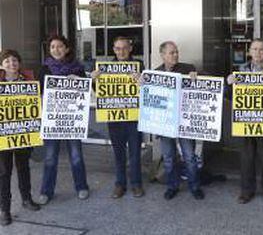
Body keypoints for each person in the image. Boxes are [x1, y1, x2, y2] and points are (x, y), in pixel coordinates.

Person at [227, 39, 263, 206]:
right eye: (255, 49)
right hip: (245, 121)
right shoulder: (239, 70)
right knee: (246, 158)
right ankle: (246, 191)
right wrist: (229, 84)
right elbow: (229, 96)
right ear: (249, 52)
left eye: (261, 49)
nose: (258, 52)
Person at [38, 35, 89, 205]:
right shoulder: (44, 69)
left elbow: (86, 92)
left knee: (76, 156)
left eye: (60, 46)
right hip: (52, 120)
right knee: (50, 157)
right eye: (53, 47)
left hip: (72, 121)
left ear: (67, 49)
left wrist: (80, 81)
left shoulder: (78, 68)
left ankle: (82, 187)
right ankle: (46, 191)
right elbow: (38, 94)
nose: (56, 50)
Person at [91, 37, 144, 199]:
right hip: (114, 118)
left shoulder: (139, 66)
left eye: (124, 48)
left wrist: (141, 80)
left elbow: (145, 87)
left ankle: (136, 184)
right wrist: (93, 79)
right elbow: (98, 90)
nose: (121, 51)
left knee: (135, 153)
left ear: (130, 49)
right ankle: (120, 184)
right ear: (114, 50)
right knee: (118, 153)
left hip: (134, 117)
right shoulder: (105, 68)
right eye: (118, 48)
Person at [155, 41, 204, 200]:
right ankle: (172, 186)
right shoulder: (155, 73)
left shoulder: (188, 68)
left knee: (189, 156)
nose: (175, 55)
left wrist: (197, 78)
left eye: (176, 52)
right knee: (168, 157)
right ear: (162, 55)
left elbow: (203, 87)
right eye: (171, 52)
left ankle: (194, 186)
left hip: (184, 121)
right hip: (165, 122)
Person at [0, 50, 41, 226]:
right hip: (3, 136)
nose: (11, 64)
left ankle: (26, 198)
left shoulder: (29, 81)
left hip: (24, 133)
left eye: (15, 60)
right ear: (1, 65)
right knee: (4, 173)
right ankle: (4, 209)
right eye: (7, 61)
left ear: (19, 63)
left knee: (24, 167)